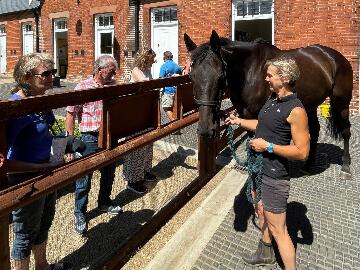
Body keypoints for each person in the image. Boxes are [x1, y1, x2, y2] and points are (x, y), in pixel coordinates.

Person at [225, 56, 310, 269]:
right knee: (260, 211)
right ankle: (265, 253)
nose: (266, 79)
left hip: (274, 176)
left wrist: (268, 147)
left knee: (279, 231)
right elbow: (262, 125)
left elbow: (302, 152)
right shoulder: (272, 100)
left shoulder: (296, 110)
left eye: (270, 75)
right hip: (260, 171)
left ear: (285, 78)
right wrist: (239, 121)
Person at [7, 53, 71, 270]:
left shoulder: (41, 101)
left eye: (52, 72)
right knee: (24, 232)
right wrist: (39, 167)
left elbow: (51, 130)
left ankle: (42, 266)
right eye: (45, 74)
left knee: (44, 222)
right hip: (25, 177)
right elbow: (6, 159)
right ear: (27, 77)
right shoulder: (15, 107)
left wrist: (66, 145)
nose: (51, 77)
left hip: (46, 169)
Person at [65, 55, 122, 235]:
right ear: (100, 70)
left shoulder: (113, 85)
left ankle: (104, 202)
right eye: (111, 70)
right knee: (84, 178)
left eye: (115, 70)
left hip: (110, 135)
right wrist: (69, 144)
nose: (114, 73)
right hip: (89, 137)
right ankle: (80, 213)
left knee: (109, 172)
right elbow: (70, 114)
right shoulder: (82, 87)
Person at [123, 48, 157, 194]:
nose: (154, 61)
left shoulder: (147, 70)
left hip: (146, 112)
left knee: (147, 145)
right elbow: (145, 83)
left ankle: (144, 171)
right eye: (152, 59)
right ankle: (133, 180)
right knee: (136, 148)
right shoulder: (136, 70)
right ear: (145, 58)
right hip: (135, 113)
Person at [159, 51, 182, 122]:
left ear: (164, 57)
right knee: (173, 107)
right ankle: (177, 122)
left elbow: (161, 79)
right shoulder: (177, 66)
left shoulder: (164, 66)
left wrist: (159, 91)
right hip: (176, 90)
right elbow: (180, 77)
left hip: (167, 91)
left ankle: (175, 123)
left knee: (166, 107)